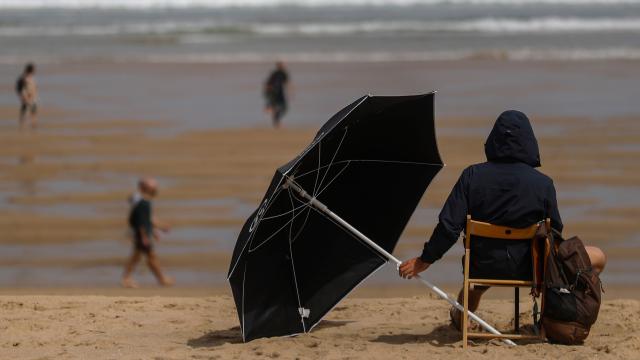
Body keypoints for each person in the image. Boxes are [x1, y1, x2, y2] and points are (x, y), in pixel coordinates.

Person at [398, 110, 607, 330]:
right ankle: (555, 313)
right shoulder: (543, 184)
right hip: (531, 269)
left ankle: (462, 316)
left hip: (482, 267)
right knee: (599, 257)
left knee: (475, 281)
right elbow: (555, 231)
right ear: (529, 142)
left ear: (493, 140)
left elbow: (449, 227)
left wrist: (425, 261)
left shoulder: (472, 176)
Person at [121, 177, 174, 288]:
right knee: (147, 257)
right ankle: (160, 279)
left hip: (142, 234)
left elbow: (148, 219)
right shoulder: (143, 203)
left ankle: (160, 279)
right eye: (154, 188)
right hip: (142, 235)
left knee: (142, 257)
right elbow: (141, 221)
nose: (156, 190)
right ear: (147, 189)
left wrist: (158, 229)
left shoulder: (145, 202)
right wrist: (144, 236)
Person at [264, 61, 290, 128]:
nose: (283, 66)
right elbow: (268, 84)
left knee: (284, 108)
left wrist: (291, 92)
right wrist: (267, 93)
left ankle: (276, 121)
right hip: (274, 93)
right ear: (278, 66)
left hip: (281, 93)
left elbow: (287, 83)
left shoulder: (284, 73)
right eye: (281, 65)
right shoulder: (274, 73)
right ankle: (276, 123)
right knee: (276, 107)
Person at [15, 63, 39, 130]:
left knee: (30, 108)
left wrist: (35, 92)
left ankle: (32, 123)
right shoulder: (24, 78)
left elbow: (34, 86)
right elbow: (21, 88)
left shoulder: (30, 77)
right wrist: (23, 95)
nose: (35, 71)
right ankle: (24, 122)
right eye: (34, 69)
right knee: (26, 108)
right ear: (31, 70)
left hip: (31, 96)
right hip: (26, 95)